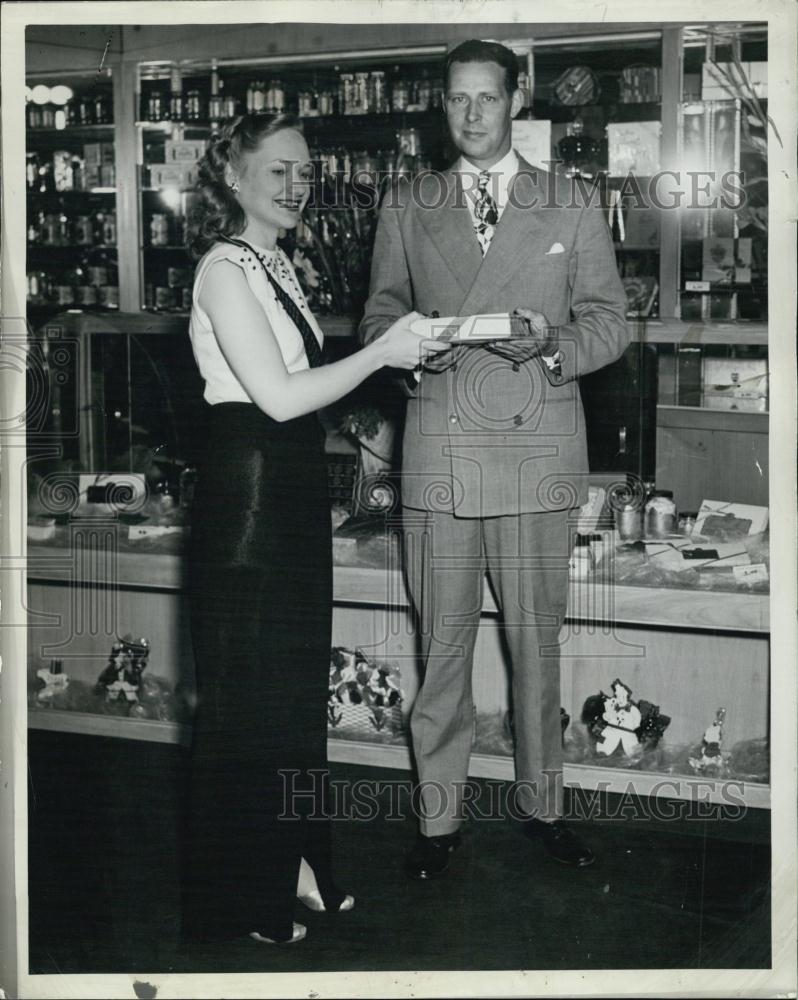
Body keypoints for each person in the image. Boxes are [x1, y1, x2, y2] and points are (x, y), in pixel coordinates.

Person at [360, 39, 631, 879]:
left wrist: (554, 347)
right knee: (440, 648)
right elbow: (376, 319)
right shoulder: (409, 201)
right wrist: (407, 348)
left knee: (535, 645)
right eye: (455, 99)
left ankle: (544, 806)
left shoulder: (571, 200)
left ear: (516, 100)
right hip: (440, 447)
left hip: (538, 448)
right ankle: (437, 824)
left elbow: (610, 323)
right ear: (441, 105)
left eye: (485, 97)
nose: (471, 114)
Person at [183, 112, 449, 944]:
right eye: (278, 173)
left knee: (292, 696)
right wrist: (382, 355)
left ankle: (293, 865)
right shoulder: (224, 269)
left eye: (305, 173)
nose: (297, 187)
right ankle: (245, 900)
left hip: (288, 488)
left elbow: (307, 390)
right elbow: (279, 397)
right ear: (235, 178)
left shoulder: (277, 262)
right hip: (249, 499)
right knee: (250, 706)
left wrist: (395, 367)